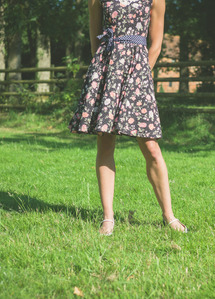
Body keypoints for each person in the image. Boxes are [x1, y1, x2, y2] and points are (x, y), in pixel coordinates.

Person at [68, 0, 187, 235]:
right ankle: (108, 218)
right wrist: (104, 73)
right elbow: (95, 40)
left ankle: (169, 216)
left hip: (139, 71)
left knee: (151, 147)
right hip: (107, 70)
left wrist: (141, 75)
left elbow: (156, 43)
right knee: (105, 141)